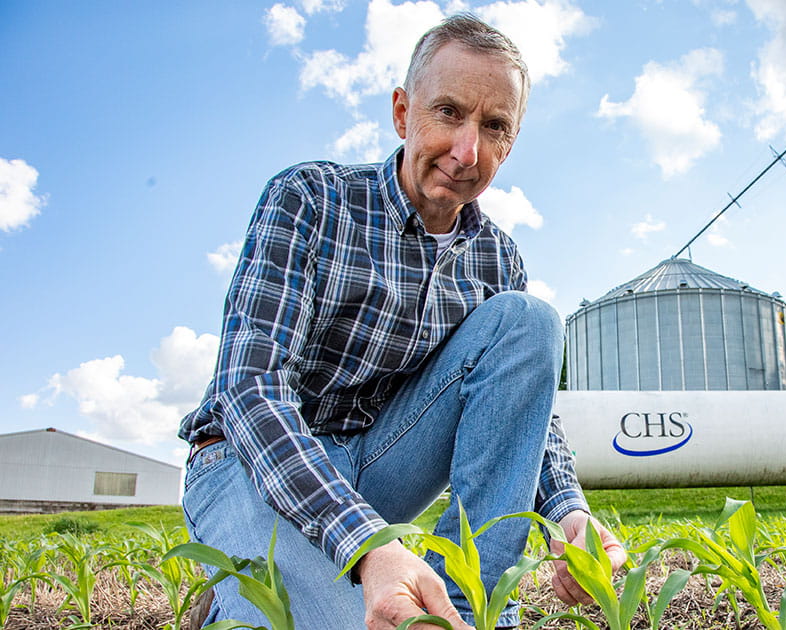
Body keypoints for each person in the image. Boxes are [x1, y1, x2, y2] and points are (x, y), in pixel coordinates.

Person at [179, 13, 625, 630]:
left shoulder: (498, 257)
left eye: (493, 126)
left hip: (379, 467)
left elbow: (524, 415)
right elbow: (249, 388)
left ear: (509, 143)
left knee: (528, 323)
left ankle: (464, 610)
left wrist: (567, 510)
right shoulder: (311, 199)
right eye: (448, 112)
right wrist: (367, 544)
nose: (467, 151)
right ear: (401, 112)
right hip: (250, 467)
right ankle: (246, 591)